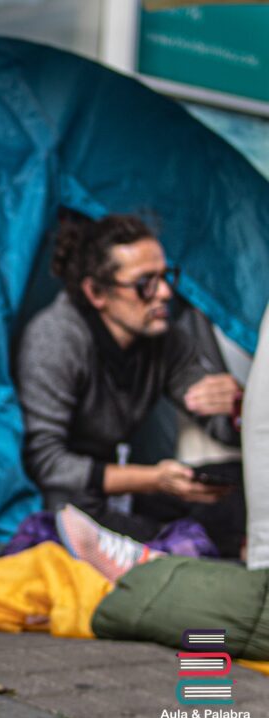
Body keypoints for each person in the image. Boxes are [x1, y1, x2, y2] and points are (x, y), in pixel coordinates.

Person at [16, 212, 244, 555]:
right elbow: (46, 463)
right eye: (145, 283)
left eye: (166, 276)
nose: (164, 293)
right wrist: (154, 479)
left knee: (242, 482)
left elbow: (216, 419)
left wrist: (239, 405)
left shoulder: (163, 336)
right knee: (81, 511)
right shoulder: (56, 339)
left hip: (125, 489)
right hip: (68, 497)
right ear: (96, 292)